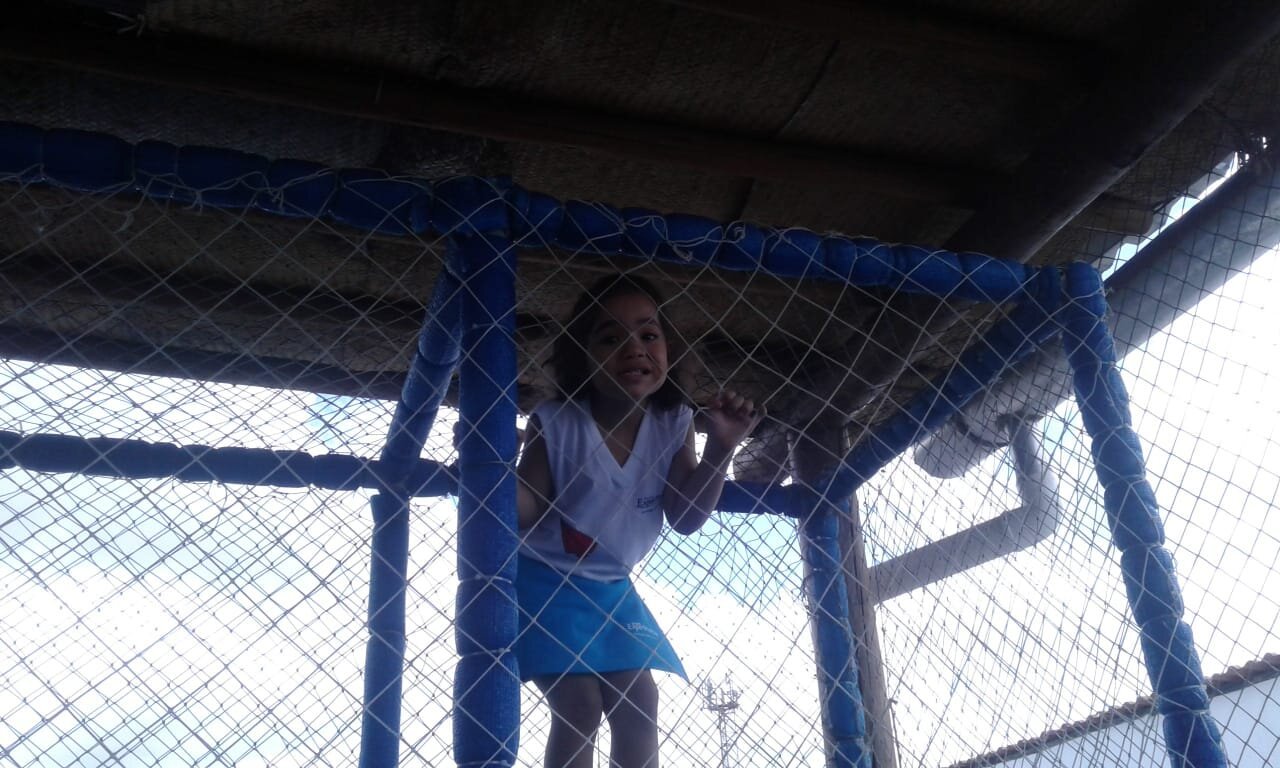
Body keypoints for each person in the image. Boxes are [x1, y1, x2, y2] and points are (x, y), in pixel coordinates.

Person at [515, 273, 762, 768]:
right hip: (542, 579)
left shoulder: (673, 422)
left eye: (649, 334)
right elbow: (524, 511)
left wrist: (720, 448)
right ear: (581, 356)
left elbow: (685, 517)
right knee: (579, 706)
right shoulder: (556, 421)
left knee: (639, 703)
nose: (634, 348)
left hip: (610, 585)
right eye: (610, 338)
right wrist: (491, 468)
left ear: (670, 350)